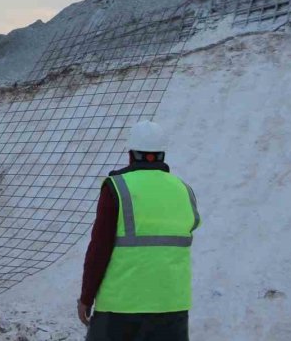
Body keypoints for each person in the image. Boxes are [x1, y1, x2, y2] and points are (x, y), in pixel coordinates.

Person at [77, 120, 200, 340]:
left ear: (131, 153)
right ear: (162, 153)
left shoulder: (118, 186)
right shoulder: (184, 190)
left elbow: (100, 248)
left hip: (121, 307)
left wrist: (86, 297)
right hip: (172, 306)